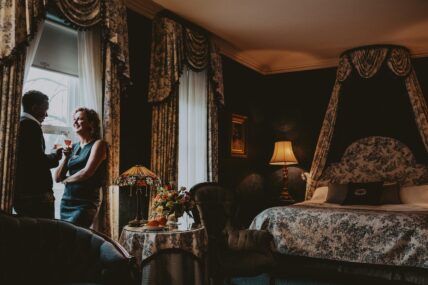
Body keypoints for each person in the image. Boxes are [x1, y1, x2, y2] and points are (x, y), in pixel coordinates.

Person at [55, 107, 107, 228]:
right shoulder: (73, 146)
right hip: (67, 201)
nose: (75, 122)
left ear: (91, 123)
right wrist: (66, 158)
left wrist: (67, 180)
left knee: (78, 238)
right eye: (74, 119)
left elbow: (87, 172)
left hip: (85, 203)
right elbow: (57, 178)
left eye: (80, 119)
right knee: (66, 238)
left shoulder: (98, 144)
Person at [14, 90, 63, 218]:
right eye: (45, 109)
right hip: (35, 194)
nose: (46, 115)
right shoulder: (31, 126)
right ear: (35, 108)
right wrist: (55, 156)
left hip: (23, 192)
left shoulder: (19, 123)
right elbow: (37, 162)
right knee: (43, 234)